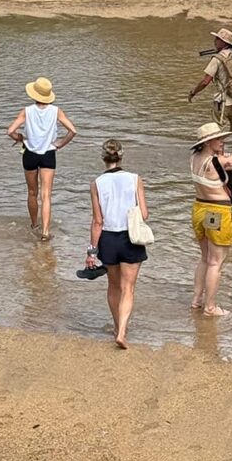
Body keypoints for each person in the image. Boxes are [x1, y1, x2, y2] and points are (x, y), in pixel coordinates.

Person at [83, 139, 148, 349]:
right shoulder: (135, 179)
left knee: (113, 286)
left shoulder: (96, 183)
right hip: (130, 237)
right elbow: (144, 214)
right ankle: (122, 331)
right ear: (121, 156)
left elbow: (97, 221)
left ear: (103, 157)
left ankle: (116, 326)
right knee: (128, 288)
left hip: (108, 238)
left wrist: (91, 252)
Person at [190, 122, 232, 317]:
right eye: (219, 139)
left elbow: (213, 164)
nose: (223, 141)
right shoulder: (218, 162)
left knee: (205, 258)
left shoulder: (194, 157)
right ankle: (210, 307)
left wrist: (222, 156)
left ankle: (197, 300)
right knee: (215, 262)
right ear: (209, 142)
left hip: (199, 208)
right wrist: (227, 158)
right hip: (219, 211)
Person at [7, 77, 76, 241]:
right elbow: (73, 130)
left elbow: (10, 131)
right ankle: (45, 232)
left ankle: (34, 225)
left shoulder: (27, 111)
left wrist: (20, 138)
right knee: (46, 195)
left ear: (34, 94)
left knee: (32, 192)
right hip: (48, 154)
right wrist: (60, 144)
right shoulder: (56, 111)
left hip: (30, 153)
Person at [188, 27, 232, 155]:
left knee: (218, 132)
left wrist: (193, 92)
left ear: (223, 42)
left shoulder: (217, 59)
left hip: (223, 101)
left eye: (218, 39)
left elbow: (205, 81)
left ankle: (220, 157)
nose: (215, 41)